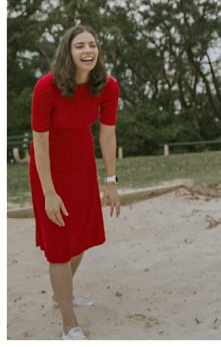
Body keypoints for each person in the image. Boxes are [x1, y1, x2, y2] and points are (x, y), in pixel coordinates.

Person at [29, 24, 121, 340]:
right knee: (58, 246)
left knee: (81, 237)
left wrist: (110, 181)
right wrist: (48, 192)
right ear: (68, 52)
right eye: (79, 45)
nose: (87, 50)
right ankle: (69, 323)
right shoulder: (46, 87)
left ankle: (61, 294)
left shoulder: (107, 87)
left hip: (82, 161)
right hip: (49, 165)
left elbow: (107, 135)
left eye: (92, 45)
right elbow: (39, 143)